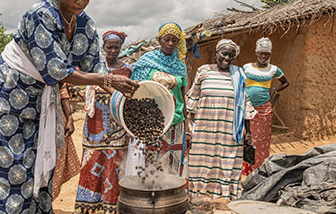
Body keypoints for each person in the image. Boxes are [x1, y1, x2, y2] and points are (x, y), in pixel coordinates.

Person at [0, 0, 138, 214]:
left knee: (40, 164)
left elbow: (95, 67)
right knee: (10, 170)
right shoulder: (41, 14)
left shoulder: (85, 23)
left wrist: (125, 96)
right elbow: (58, 71)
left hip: (41, 102)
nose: (80, 1)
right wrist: (107, 80)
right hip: (10, 95)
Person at [186, 39, 256, 201]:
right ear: (216, 53)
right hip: (205, 130)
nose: (227, 58)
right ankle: (199, 197)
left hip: (229, 132)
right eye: (224, 53)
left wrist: (248, 133)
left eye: (231, 55)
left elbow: (245, 104)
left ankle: (224, 198)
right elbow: (192, 100)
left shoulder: (239, 74)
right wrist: (189, 129)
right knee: (202, 162)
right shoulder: (203, 71)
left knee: (226, 162)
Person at [75, 30, 131, 214]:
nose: (113, 50)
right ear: (104, 47)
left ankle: (111, 205)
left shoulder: (128, 70)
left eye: (116, 47)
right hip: (95, 125)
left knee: (115, 164)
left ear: (121, 48)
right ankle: (89, 205)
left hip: (118, 124)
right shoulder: (95, 66)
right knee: (93, 160)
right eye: (109, 47)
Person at [128, 22, 189, 177]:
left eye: (174, 40)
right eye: (166, 39)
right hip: (152, 121)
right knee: (152, 160)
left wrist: (187, 125)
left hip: (176, 120)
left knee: (175, 161)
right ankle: (152, 195)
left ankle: (173, 196)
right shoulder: (146, 62)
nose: (170, 43)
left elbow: (183, 96)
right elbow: (137, 91)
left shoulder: (180, 66)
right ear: (159, 40)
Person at [242, 37, 289, 175]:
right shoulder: (246, 67)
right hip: (246, 108)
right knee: (245, 137)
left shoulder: (274, 69)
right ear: (256, 53)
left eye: (266, 54)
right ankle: (245, 169)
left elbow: (286, 82)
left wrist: (275, 89)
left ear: (270, 54)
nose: (263, 56)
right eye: (261, 53)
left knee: (261, 140)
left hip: (263, 110)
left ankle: (259, 169)